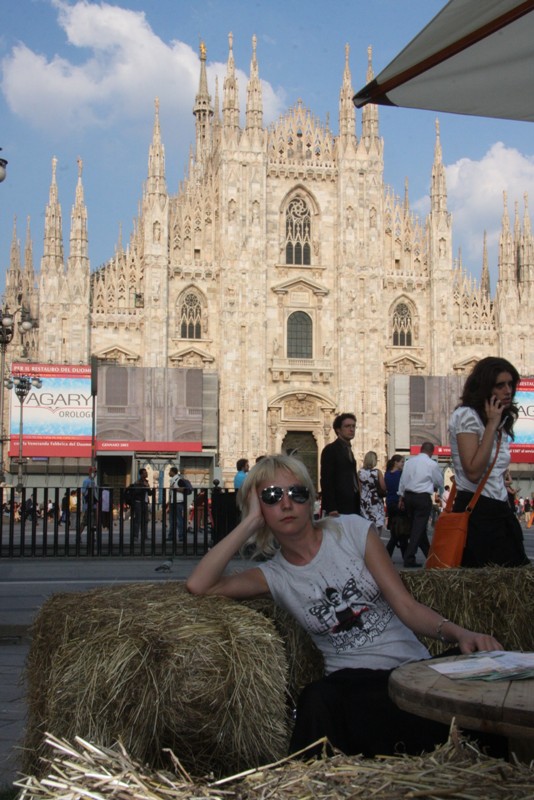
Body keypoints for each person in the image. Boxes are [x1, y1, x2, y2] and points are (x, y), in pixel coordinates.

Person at [186, 454, 503, 759]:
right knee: (316, 700)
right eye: (271, 496)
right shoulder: (274, 576)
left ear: (311, 499)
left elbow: (406, 607)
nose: (286, 503)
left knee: (489, 663)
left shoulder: (351, 530)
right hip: (357, 691)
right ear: (259, 507)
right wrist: (250, 522)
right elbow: (200, 585)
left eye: (297, 493)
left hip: (413, 676)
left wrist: (460, 634)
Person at [448, 357, 529, 568]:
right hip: (477, 513)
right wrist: (492, 425)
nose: (508, 390)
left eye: (511, 384)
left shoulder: (499, 420)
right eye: (500, 385)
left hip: (500, 509)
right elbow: (473, 471)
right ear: (485, 387)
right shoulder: (467, 415)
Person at [398, 442, 444, 568]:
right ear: (431, 452)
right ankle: (409, 557)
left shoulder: (409, 463)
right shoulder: (432, 464)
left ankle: (430, 555)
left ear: (421, 449)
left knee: (418, 527)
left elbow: (403, 480)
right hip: (422, 497)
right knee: (418, 528)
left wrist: (401, 497)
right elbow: (439, 481)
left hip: (409, 496)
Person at [320, 413, 360, 516]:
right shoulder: (331, 450)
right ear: (338, 429)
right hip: (338, 505)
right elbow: (326, 480)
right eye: (347, 426)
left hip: (352, 503)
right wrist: (331, 507)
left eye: (353, 426)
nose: (351, 429)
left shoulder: (348, 450)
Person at [384, 454, 409, 558]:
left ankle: (405, 556)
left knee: (397, 530)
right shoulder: (400, 474)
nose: (403, 464)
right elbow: (403, 488)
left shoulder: (387, 474)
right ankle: (388, 555)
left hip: (390, 503)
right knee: (401, 531)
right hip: (399, 503)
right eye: (402, 462)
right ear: (396, 462)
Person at [358, 451, 386, 535]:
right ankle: (376, 542)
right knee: (377, 524)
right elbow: (383, 487)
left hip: (364, 502)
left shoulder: (360, 473)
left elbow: (359, 490)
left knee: (366, 526)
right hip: (376, 501)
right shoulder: (377, 472)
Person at [131, 468, 151, 540]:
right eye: (145, 473)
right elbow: (136, 492)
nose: (146, 474)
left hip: (145, 503)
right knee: (138, 519)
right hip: (138, 503)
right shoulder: (138, 482)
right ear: (141, 474)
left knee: (145, 520)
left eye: (146, 473)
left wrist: (148, 487)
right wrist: (144, 486)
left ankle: (144, 535)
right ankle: (135, 535)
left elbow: (149, 493)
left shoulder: (146, 482)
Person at [167, 466, 186, 542]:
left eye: (170, 471)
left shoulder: (179, 479)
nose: (169, 473)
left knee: (178, 519)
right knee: (172, 520)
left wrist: (175, 489)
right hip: (173, 501)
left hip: (178, 501)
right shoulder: (173, 480)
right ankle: (171, 536)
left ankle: (180, 536)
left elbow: (184, 488)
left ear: (173, 472)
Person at [80, 467, 98, 534]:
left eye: (96, 472)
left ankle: (92, 536)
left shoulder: (93, 481)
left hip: (93, 505)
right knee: (84, 522)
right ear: (90, 472)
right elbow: (83, 492)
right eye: (94, 472)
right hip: (87, 505)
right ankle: (78, 536)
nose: (95, 473)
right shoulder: (86, 481)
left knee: (93, 522)